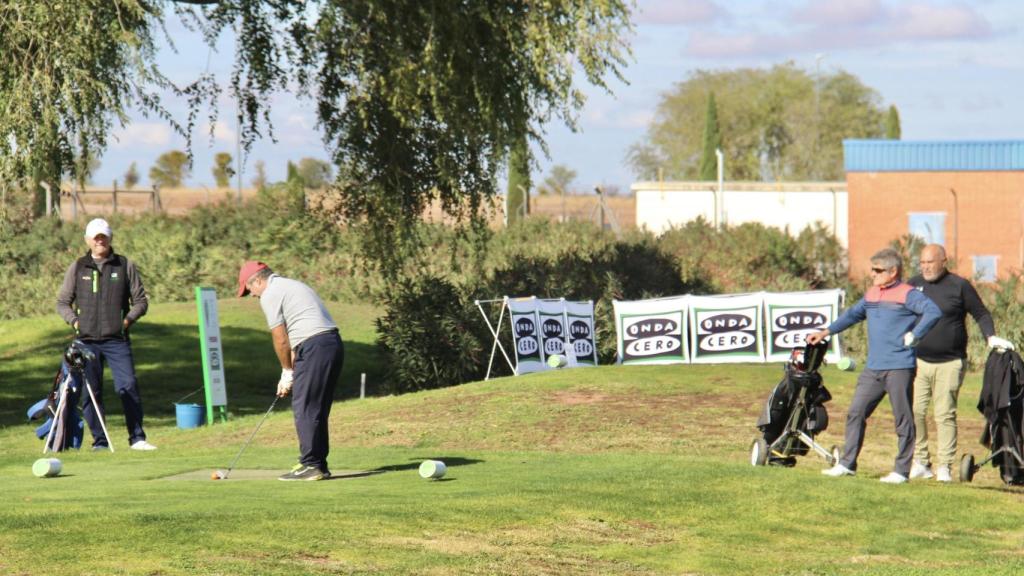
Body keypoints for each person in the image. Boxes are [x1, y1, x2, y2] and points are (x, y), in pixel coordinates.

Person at [808, 248, 941, 484]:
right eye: (872, 269)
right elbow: (852, 315)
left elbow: (933, 311)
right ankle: (847, 464)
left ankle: (901, 471)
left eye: (878, 270)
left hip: (899, 367)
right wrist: (826, 332)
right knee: (855, 412)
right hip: (873, 368)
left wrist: (916, 334)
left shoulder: (907, 293)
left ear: (893, 272)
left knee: (903, 419)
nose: (873, 274)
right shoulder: (872, 294)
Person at [906, 244, 1013, 482]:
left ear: (944, 261)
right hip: (918, 360)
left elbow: (981, 313)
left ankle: (944, 466)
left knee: (944, 414)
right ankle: (921, 461)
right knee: (916, 411)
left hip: (951, 361)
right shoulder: (912, 285)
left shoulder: (959, 286)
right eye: (922, 263)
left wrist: (990, 337)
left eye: (930, 262)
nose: (925, 267)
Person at [237, 261, 344, 481]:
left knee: (304, 406)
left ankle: (311, 465)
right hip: (329, 344)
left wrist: (286, 371)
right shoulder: (290, 285)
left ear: (258, 280)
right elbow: (295, 340)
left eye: (250, 290)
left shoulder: (270, 294)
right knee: (315, 408)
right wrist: (290, 374)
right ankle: (317, 464)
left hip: (315, 345)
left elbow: (280, 339)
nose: (252, 295)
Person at [56, 218, 156, 451]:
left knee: (128, 385)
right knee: (91, 391)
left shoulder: (124, 265)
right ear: (88, 240)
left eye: (103, 236)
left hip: (116, 339)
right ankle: (100, 442)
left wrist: (127, 320)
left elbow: (140, 301)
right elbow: (62, 302)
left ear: (110, 238)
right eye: (95, 237)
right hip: (86, 340)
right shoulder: (78, 266)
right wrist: (76, 321)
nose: (100, 240)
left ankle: (137, 438)